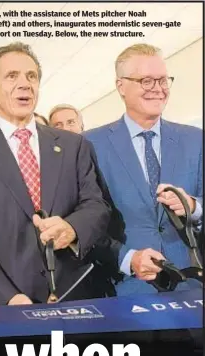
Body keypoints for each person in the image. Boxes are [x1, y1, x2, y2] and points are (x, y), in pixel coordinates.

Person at [0, 42, 110, 306]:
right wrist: (7, 297)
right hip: (4, 307)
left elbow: (96, 205)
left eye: (31, 76)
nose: (24, 84)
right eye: (12, 76)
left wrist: (73, 228)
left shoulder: (73, 145)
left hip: (74, 298)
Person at [85, 43, 203, 295]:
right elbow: (86, 222)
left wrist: (194, 207)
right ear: (121, 86)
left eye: (163, 80)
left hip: (192, 285)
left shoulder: (195, 140)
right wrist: (127, 259)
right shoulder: (90, 145)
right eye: (147, 81)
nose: (158, 89)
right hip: (125, 288)